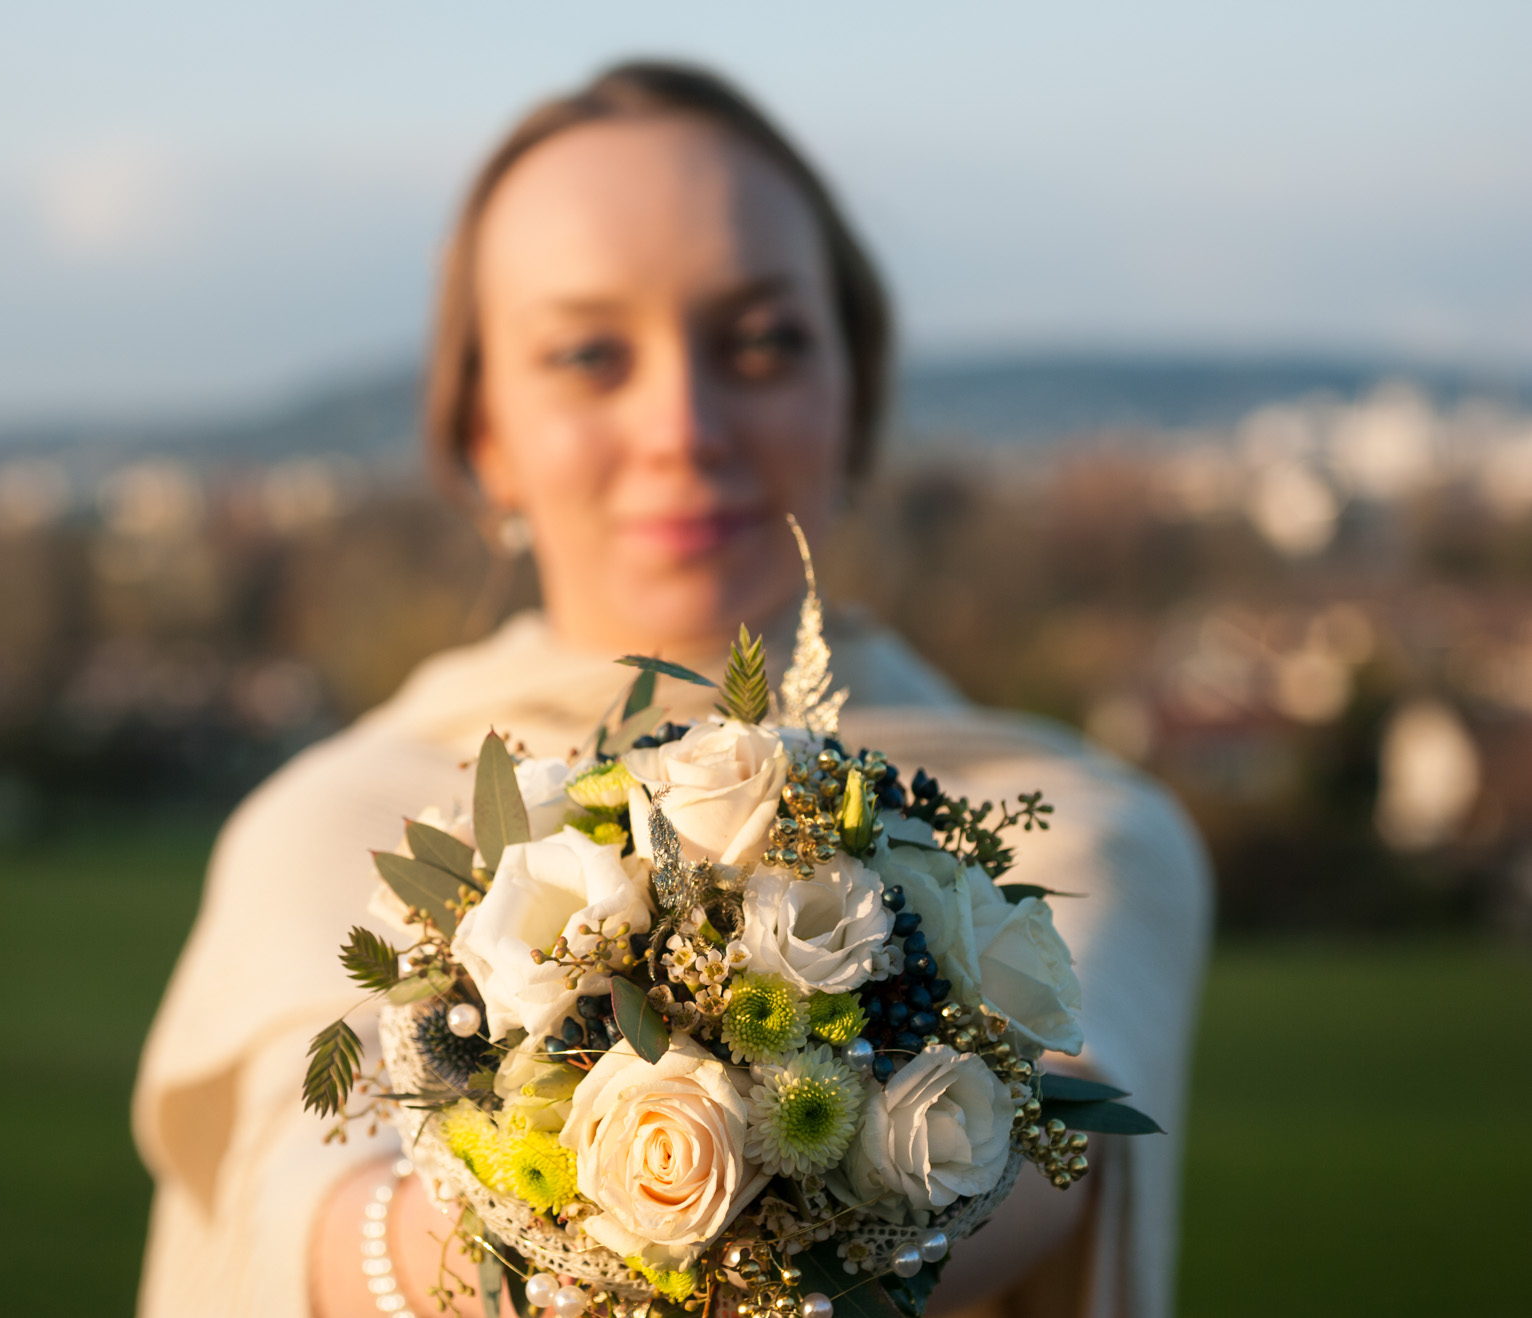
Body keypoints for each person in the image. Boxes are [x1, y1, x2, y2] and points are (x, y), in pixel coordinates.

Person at [132, 62, 1211, 1318]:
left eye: (759, 343)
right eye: (590, 354)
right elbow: (296, 1205)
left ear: (850, 395)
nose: (685, 424)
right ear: (485, 429)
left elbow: (1048, 1163)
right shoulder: (325, 826)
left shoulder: (1077, 820)